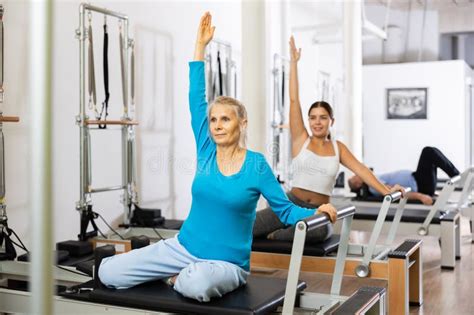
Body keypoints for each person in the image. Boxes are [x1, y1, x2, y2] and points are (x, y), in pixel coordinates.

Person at [97, 12, 337, 303]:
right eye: (213, 120)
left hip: (227, 264)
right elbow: (195, 99)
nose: (218, 125)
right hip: (182, 248)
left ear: (242, 123)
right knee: (109, 273)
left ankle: (181, 278)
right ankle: (178, 274)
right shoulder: (206, 150)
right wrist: (200, 47)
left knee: (197, 283)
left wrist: (319, 213)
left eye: (225, 119)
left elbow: (285, 212)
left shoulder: (256, 165)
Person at [253, 36, 404, 243]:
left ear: (331, 121)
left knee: (320, 231)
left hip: (319, 209)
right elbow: (294, 99)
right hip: (289, 203)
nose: (317, 122)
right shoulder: (301, 139)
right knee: (247, 226)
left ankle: (277, 235)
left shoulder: (337, 148)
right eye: (313, 118)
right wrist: (294, 64)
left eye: (323, 117)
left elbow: (361, 169)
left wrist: (386, 190)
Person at [348, 146, 460, 205]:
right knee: (428, 152)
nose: (356, 173)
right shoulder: (373, 186)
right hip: (420, 184)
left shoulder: (373, 179)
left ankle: (456, 175)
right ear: (358, 184)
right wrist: (421, 196)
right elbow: (396, 192)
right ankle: (456, 175)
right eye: (355, 176)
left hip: (419, 181)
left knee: (432, 153)